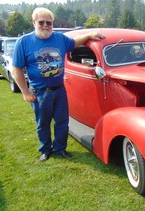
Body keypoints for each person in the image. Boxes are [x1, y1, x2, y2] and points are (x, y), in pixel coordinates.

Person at [12, 7, 105, 162]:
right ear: (34, 22)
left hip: (59, 90)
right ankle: (45, 150)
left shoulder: (60, 38)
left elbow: (75, 43)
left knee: (62, 121)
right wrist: (25, 92)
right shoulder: (24, 42)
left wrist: (89, 34)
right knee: (43, 123)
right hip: (39, 92)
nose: (45, 25)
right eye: (41, 22)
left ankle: (60, 148)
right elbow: (17, 69)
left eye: (49, 23)